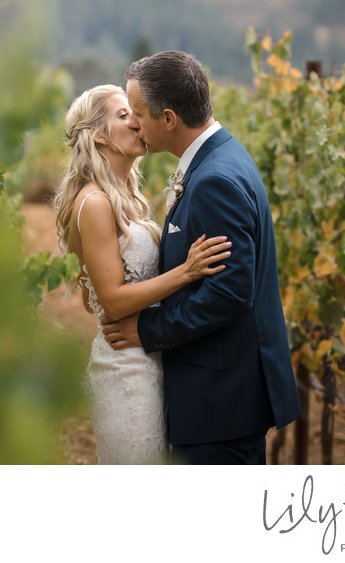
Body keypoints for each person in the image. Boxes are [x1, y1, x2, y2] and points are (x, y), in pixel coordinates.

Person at [102, 51, 302, 465]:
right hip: (226, 397)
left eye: (138, 112)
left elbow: (228, 293)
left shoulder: (214, 181)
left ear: (169, 118)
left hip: (219, 401)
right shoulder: (221, 159)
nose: (134, 122)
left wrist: (148, 330)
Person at [53, 84, 232, 464]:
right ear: (98, 134)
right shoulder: (96, 202)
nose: (136, 123)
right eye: (123, 115)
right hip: (125, 370)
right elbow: (111, 301)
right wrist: (187, 272)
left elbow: (93, 294)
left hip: (146, 357)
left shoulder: (125, 198)